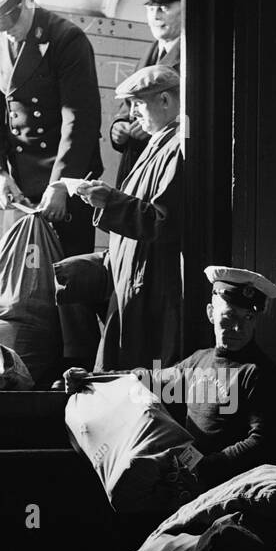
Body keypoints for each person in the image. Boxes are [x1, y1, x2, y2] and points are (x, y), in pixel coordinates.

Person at [63, 266, 276, 490]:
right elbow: (148, 379)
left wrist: (203, 468)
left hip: (229, 486)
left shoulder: (260, 373)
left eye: (248, 317)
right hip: (185, 481)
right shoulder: (198, 362)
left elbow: (262, 442)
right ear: (211, 313)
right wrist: (90, 378)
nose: (239, 327)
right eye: (229, 317)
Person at [0, 0, 102, 260]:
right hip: (22, 183)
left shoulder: (66, 39)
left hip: (68, 175)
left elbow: (79, 119)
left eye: (11, 25)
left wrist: (61, 185)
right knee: (22, 281)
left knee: (67, 285)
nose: (7, 34)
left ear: (27, 1)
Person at [72, 64, 184, 370]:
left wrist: (108, 200)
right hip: (134, 290)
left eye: (138, 103)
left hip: (150, 295)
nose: (133, 114)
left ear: (165, 100)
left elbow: (160, 223)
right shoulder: (157, 147)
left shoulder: (176, 149)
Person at [109, 0, 182, 187]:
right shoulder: (149, 54)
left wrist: (159, 123)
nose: (156, 15)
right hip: (138, 162)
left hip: (166, 168)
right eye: (151, 8)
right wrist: (119, 126)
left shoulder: (194, 58)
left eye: (164, 7)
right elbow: (128, 106)